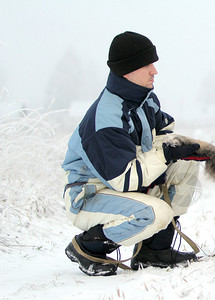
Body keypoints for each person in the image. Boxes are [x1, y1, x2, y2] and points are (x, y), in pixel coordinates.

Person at [62, 31, 205, 276]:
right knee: (154, 213)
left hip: (125, 183)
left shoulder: (145, 99)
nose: (154, 71)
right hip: (91, 194)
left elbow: (161, 134)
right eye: (147, 64)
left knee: (186, 166)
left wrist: (178, 150)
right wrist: (164, 156)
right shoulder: (106, 119)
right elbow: (123, 180)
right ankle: (88, 247)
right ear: (127, 69)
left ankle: (154, 250)